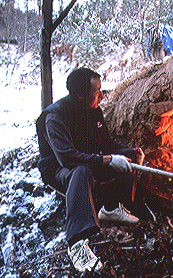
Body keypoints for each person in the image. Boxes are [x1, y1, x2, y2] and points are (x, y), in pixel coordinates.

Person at [36, 67, 144, 273]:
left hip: (86, 160)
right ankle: (77, 245)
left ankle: (110, 209)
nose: (102, 96)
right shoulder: (55, 117)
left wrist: (130, 153)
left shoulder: (94, 110)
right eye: (97, 92)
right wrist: (107, 160)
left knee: (127, 159)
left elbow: (108, 143)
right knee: (81, 171)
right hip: (60, 170)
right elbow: (67, 158)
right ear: (80, 94)